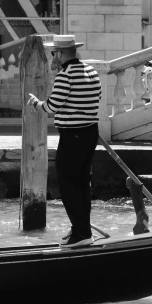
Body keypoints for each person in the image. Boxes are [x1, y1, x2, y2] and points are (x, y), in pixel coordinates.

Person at [27, 34, 101, 248]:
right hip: (90, 133)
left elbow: (52, 106)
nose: (52, 58)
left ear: (60, 54)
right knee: (82, 183)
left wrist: (36, 103)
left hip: (73, 136)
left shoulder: (65, 75)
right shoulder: (91, 71)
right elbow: (95, 98)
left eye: (53, 53)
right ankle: (81, 228)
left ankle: (81, 232)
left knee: (68, 185)